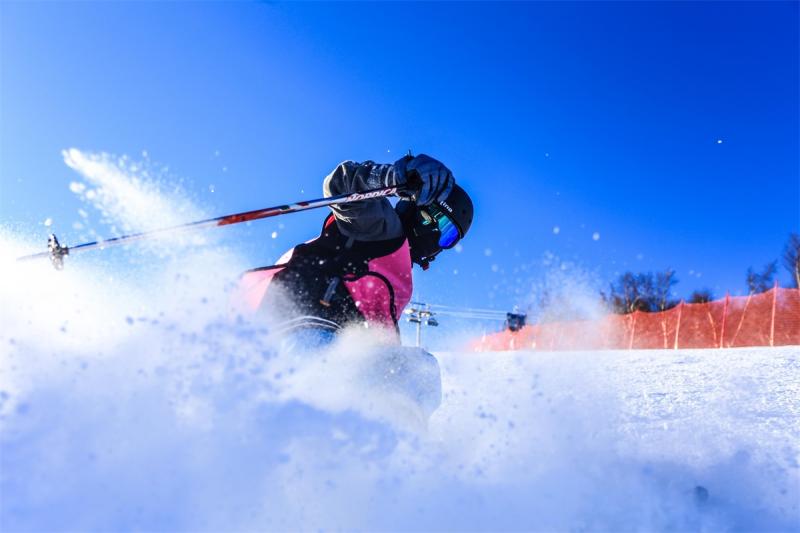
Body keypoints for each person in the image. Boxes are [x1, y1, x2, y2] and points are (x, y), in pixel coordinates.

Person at [238, 153, 473, 343]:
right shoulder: (382, 228)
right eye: (441, 224)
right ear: (419, 210)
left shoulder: (398, 274)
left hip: (324, 337)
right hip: (305, 321)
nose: (437, 240)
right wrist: (394, 177)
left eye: (449, 238)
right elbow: (340, 184)